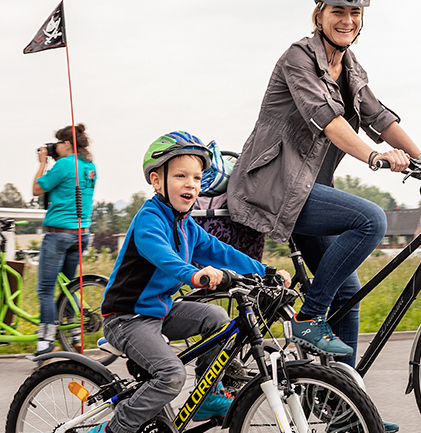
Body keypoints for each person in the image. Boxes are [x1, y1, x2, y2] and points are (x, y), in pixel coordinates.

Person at [229, 0, 421, 367]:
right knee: (371, 220)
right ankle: (309, 317)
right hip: (276, 185)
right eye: (338, 11)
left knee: (348, 291)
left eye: (355, 13)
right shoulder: (298, 58)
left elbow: (379, 117)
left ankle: (344, 409)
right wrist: (374, 156)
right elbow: (328, 119)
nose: (347, 20)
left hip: (309, 189)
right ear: (319, 15)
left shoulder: (350, 68)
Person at [94, 131, 291, 433]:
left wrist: (267, 272)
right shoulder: (150, 220)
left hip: (160, 310)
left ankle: (208, 397)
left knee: (220, 320)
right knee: (171, 375)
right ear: (157, 181)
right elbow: (162, 256)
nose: (191, 184)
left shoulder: (187, 224)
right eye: (181, 176)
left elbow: (222, 252)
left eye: (197, 178)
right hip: (126, 318)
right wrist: (194, 274)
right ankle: (114, 429)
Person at [30, 123, 97, 357]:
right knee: (69, 288)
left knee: (46, 290)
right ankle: (76, 337)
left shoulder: (65, 165)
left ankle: (44, 344)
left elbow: (37, 189)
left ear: (67, 144)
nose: (54, 147)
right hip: (81, 233)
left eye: (58, 142)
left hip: (58, 234)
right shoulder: (89, 167)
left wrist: (42, 163)